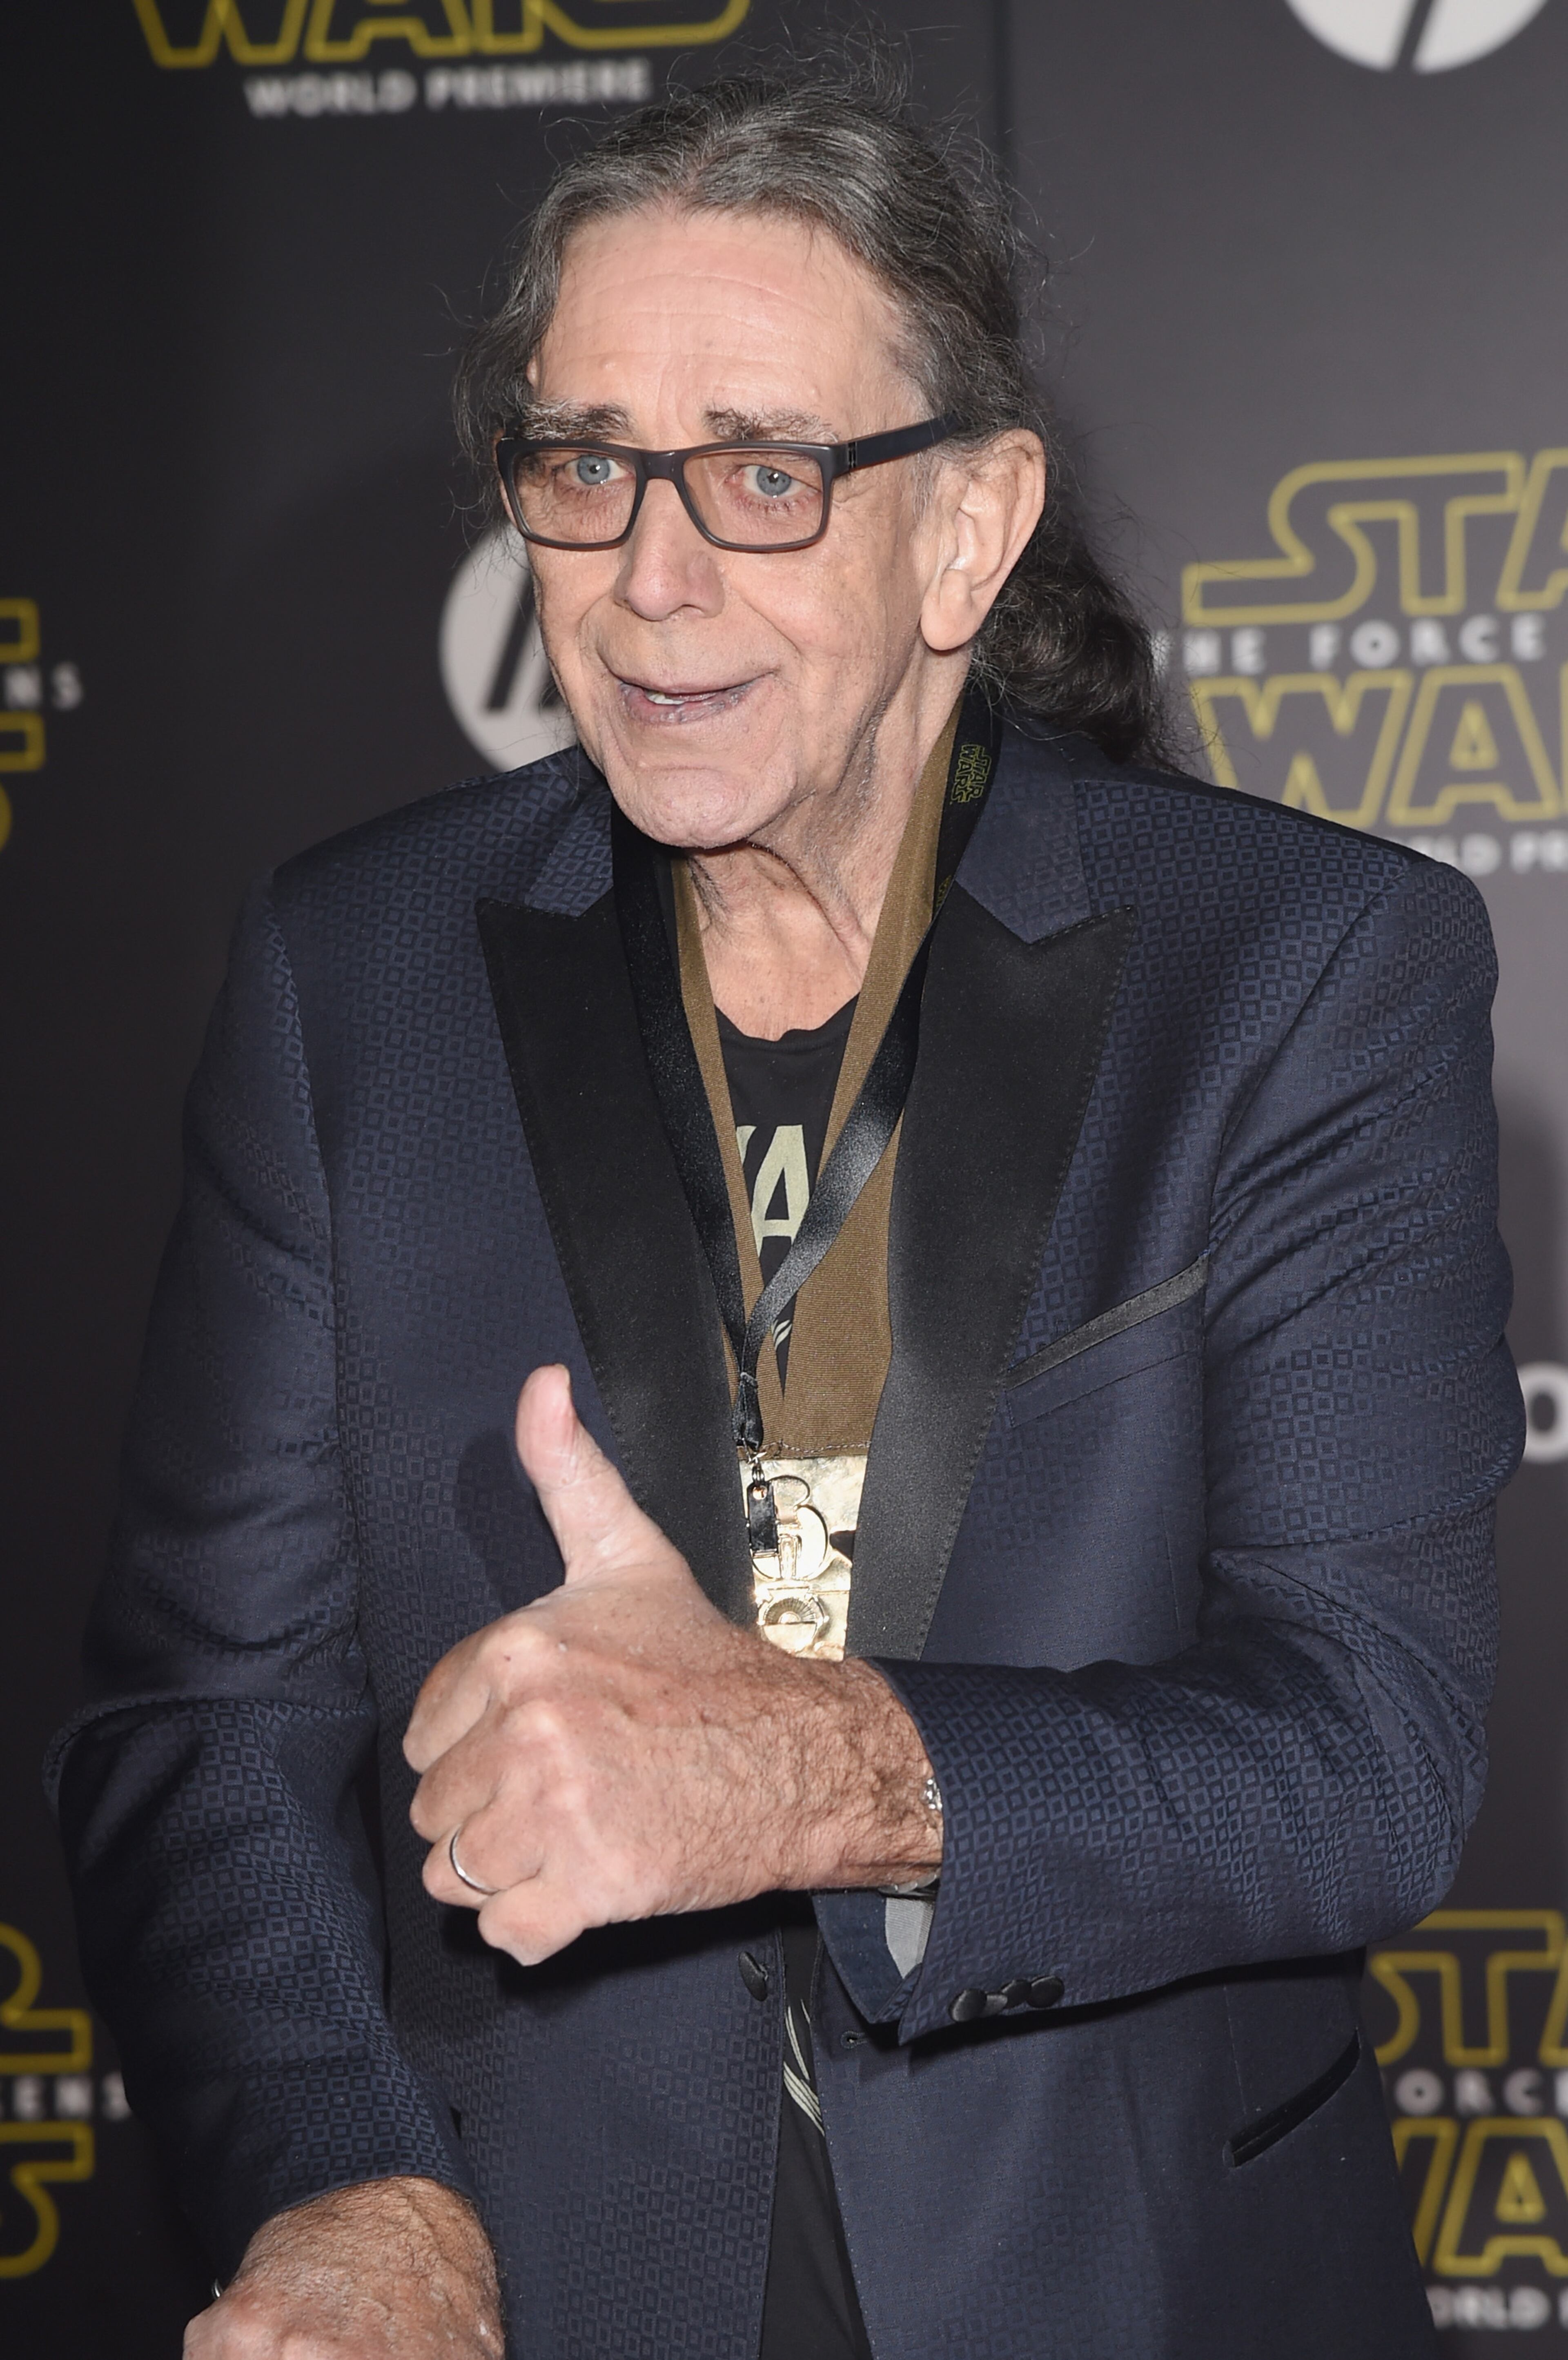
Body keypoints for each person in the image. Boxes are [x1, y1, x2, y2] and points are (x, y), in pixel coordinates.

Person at [50, 65, 1521, 2360]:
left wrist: (802, 1767)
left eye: (758, 473)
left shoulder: (1306, 974)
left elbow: (1365, 1754)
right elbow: (197, 1722)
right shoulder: (357, 974)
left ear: (964, 531)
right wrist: (358, 2190)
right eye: (582, 466)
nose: (647, 579)